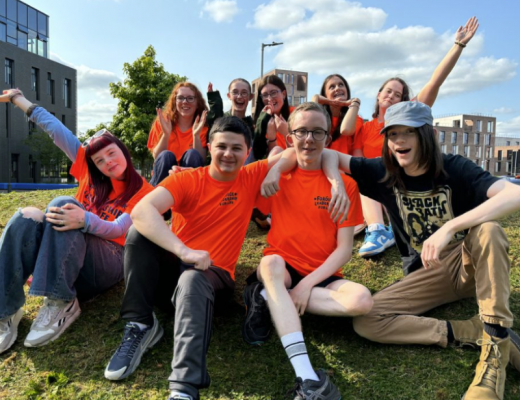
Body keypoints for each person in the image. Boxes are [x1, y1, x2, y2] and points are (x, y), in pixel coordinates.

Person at [104, 115, 349, 400]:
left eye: (237, 148)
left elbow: (307, 148)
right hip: (176, 274)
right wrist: (183, 250)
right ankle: (141, 324)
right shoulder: (186, 179)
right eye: (222, 146)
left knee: (193, 278)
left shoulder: (250, 175)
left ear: (247, 153)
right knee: (137, 234)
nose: (228, 154)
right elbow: (141, 211)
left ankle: (183, 390)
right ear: (208, 146)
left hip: (213, 282)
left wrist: (278, 172)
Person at [320, 100, 520, 400]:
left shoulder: (455, 168)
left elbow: (514, 193)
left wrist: (449, 229)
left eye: (408, 133)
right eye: (392, 134)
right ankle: (469, 331)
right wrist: (336, 181)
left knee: (489, 229)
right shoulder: (381, 171)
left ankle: (495, 351)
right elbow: (327, 154)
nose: (399, 141)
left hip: (466, 264)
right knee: (367, 321)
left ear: (427, 135)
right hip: (425, 274)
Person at [0, 89, 153, 354]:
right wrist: (18, 99)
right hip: (65, 255)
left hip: (107, 261)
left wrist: (85, 220)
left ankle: (61, 303)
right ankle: (5, 310)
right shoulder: (88, 171)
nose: (108, 163)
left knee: (63, 206)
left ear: (123, 150)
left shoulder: (146, 192)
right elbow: (56, 130)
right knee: (26, 216)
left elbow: (118, 229)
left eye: (112, 154)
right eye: (99, 160)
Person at [242, 102, 372, 400]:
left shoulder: (345, 187)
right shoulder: (277, 176)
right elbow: (231, 175)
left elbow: (343, 251)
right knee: (271, 266)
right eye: (301, 131)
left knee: (362, 300)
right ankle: (307, 376)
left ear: (328, 138)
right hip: (281, 265)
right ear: (291, 137)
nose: (309, 139)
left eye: (317, 132)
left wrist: (306, 285)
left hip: (322, 273)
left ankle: (267, 299)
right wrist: (275, 168)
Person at [351, 17, 479, 258]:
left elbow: (435, 81)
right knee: (366, 179)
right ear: (379, 95)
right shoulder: (364, 128)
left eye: (398, 95)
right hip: (376, 186)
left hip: (402, 183)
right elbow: (357, 162)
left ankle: (379, 228)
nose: (391, 96)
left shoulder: (411, 114)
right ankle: (377, 229)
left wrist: (457, 46)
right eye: (388, 91)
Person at [313, 74, 365, 234]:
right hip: (318, 165)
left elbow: (346, 130)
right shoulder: (320, 116)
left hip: (343, 168)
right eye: (332, 87)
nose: (337, 88)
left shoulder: (356, 119)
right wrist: (327, 102)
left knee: (350, 179)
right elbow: (313, 102)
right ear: (325, 94)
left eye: (341, 85)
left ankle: (351, 220)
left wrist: (353, 104)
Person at [147, 82, 209, 186]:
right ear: (175, 101)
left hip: (188, 179)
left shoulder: (203, 126)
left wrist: (196, 136)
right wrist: (166, 135)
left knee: (192, 154)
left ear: (197, 102)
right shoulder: (162, 122)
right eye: (180, 98)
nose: (185, 102)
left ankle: (191, 198)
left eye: (190, 98)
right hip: (164, 177)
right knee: (166, 155)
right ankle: (156, 198)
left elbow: (200, 159)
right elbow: (157, 157)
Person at [252, 75, 293, 161]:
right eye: (265, 95)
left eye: (273, 93)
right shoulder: (260, 121)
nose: (269, 99)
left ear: (284, 94)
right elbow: (265, 159)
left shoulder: (297, 114)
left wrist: (286, 133)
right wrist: (272, 138)